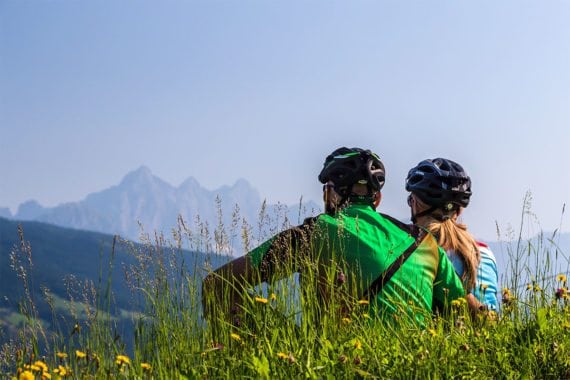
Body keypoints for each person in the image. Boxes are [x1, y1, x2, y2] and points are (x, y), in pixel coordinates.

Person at [202, 147, 465, 327]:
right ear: (378, 198)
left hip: (339, 361)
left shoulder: (315, 233)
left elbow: (217, 284)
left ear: (330, 194)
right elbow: (470, 313)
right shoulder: (424, 241)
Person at [405, 158, 499, 313]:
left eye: (411, 200)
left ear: (415, 204)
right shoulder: (485, 252)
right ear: (460, 210)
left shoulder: (416, 250)